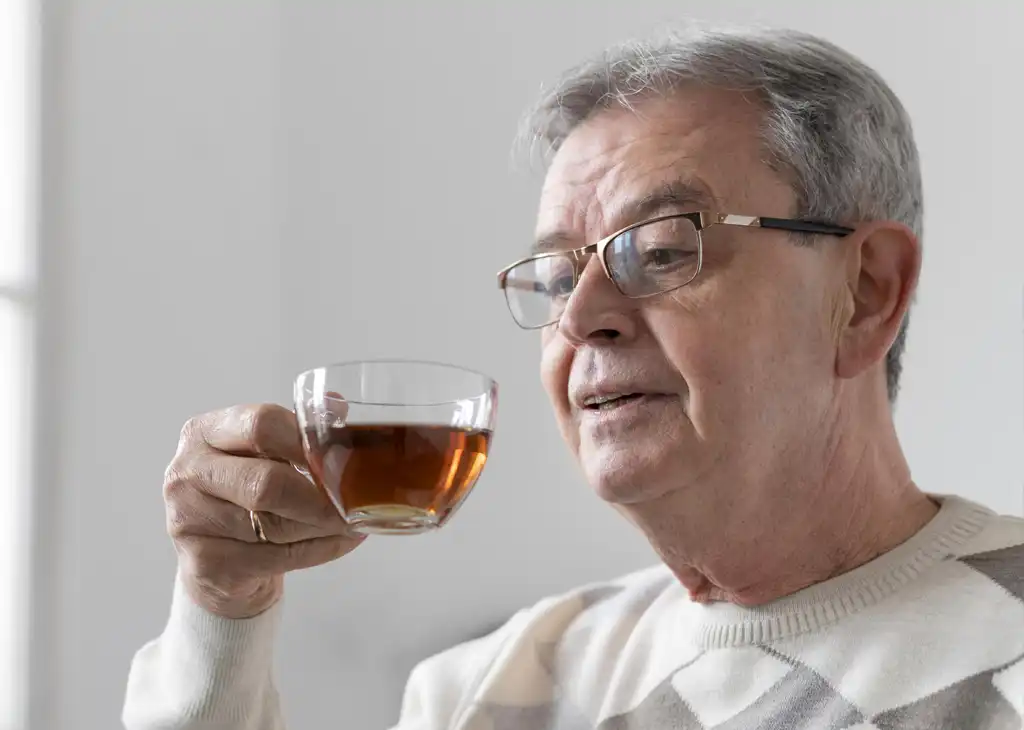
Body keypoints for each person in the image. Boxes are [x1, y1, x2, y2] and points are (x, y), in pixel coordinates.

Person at [123, 25, 1024, 729]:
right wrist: (221, 613)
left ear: (865, 294)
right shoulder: (495, 686)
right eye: (558, 275)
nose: (584, 312)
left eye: (663, 249)